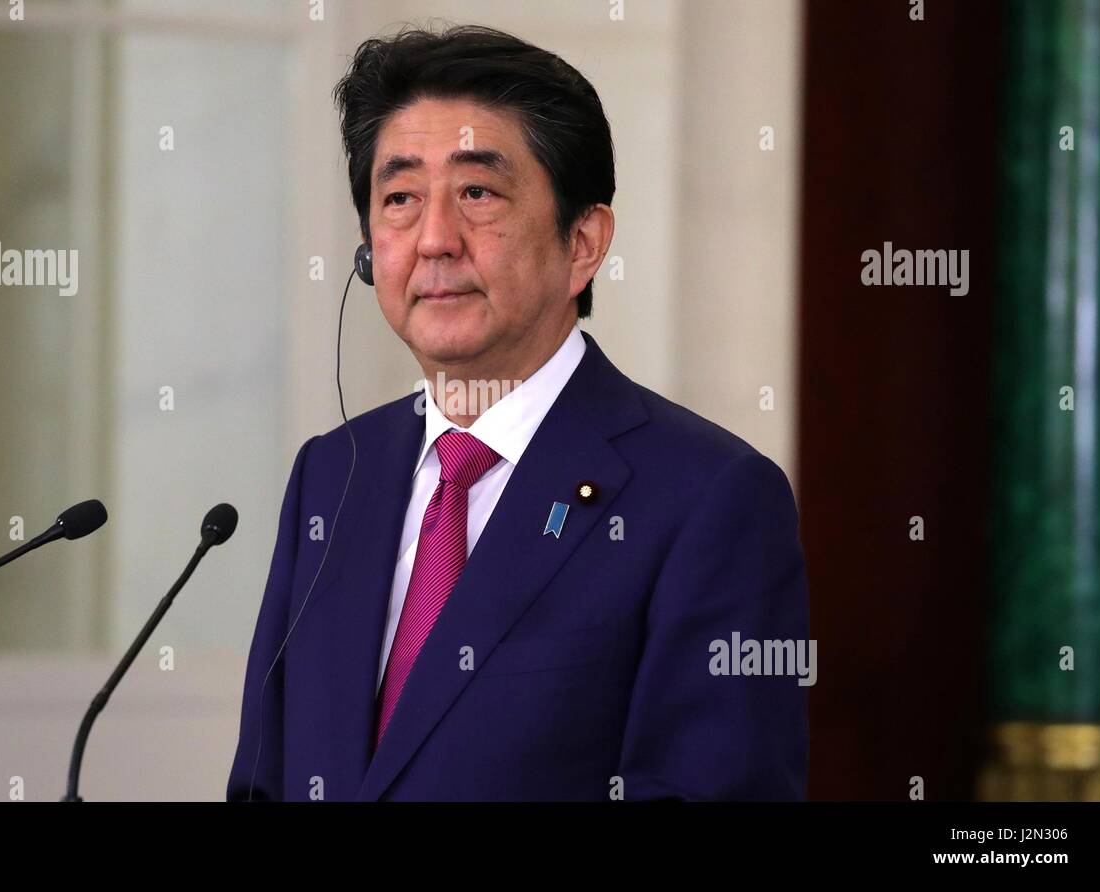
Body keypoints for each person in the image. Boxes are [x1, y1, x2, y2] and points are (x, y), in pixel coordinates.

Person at [227, 24, 809, 802]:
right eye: (399, 198)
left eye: (477, 193)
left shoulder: (710, 499)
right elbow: (264, 782)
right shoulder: (331, 475)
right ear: (369, 249)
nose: (434, 239)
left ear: (583, 241)